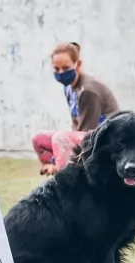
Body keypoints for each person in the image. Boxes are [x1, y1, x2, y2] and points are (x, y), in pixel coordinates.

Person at [32, 42, 120, 176]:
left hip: (107, 139)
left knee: (60, 138)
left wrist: (63, 153)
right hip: (88, 135)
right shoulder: (69, 87)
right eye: (56, 69)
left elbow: (87, 133)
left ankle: (66, 181)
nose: (61, 73)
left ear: (78, 65)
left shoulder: (88, 90)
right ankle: (55, 170)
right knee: (39, 139)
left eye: (65, 68)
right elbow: (76, 124)